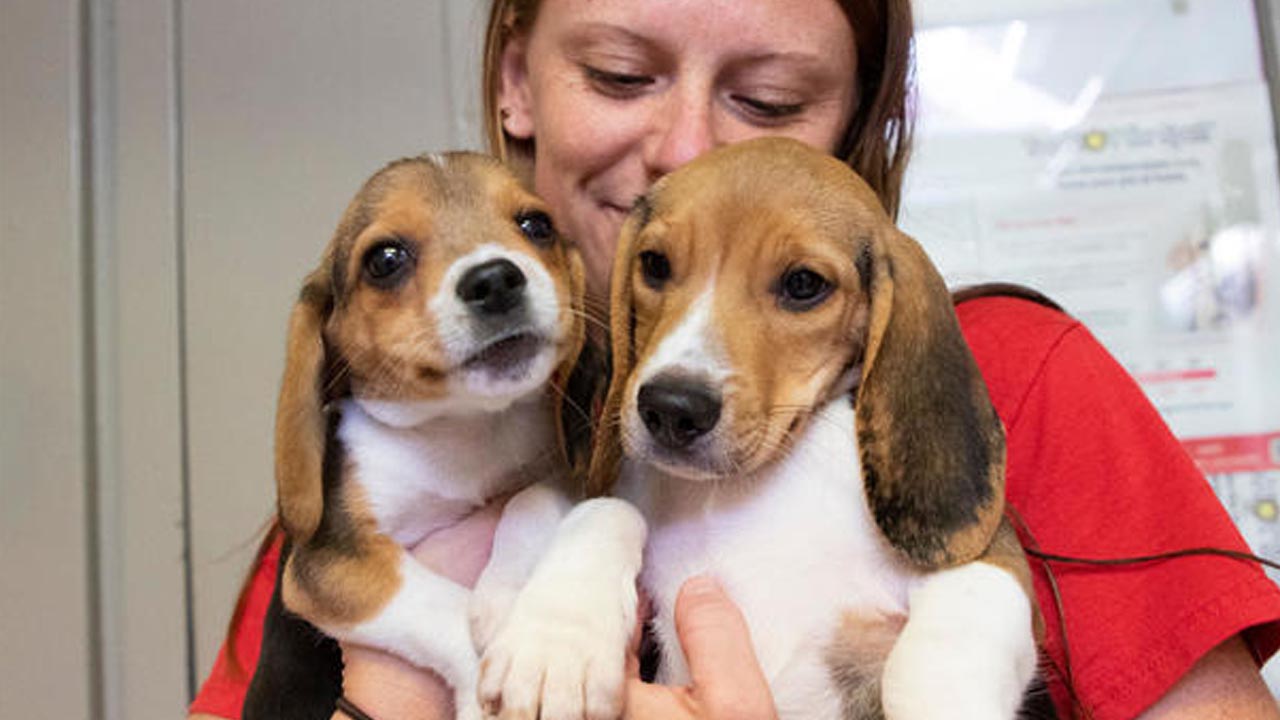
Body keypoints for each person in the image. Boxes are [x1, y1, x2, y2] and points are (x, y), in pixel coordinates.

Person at [189, 1, 1280, 718]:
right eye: (619, 74)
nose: (689, 151)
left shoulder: (1018, 378)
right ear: (518, 79)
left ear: (857, 115)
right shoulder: (404, 466)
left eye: (766, 102)